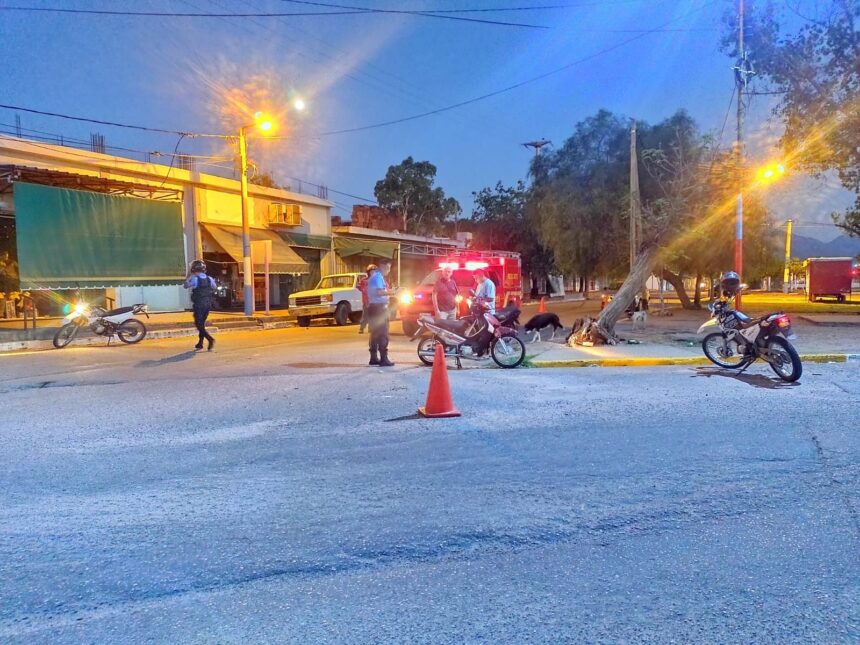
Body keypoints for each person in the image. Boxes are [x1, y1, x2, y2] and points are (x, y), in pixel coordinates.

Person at [366, 258, 397, 366]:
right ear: (383, 266)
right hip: (379, 308)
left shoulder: (373, 277)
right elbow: (379, 292)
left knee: (374, 333)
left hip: (373, 308)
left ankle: (373, 358)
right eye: (388, 268)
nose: (388, 271)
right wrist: (393, 292)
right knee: (383, 334)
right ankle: (384, 359)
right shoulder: (378, 277)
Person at [184, 259, 216, 351]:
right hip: (208, 304)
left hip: (199, 304)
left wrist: (189, 277)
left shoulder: (195, 279)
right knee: (201, 323)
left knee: (198, 324)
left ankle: (210, 339)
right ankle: (200, 343)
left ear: (194, 269)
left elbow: (185, 285)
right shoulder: (209, 278)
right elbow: (214, 287)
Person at [357, 263, 376, 334]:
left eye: (374, 271)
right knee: (365, 315)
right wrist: (363, 289)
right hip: (366, 301)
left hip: (374, 301)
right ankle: (362, 328)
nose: (373, 273)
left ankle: (371, 328)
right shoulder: (364, 280)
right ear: (368, 272)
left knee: (373, 315)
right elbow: (359, 286)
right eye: (371, 271)